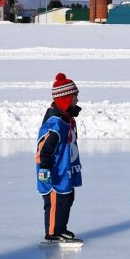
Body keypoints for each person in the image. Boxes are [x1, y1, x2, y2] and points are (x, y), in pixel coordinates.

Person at [35, 73, 84, 243]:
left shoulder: (66, 117)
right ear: (65, 98)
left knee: (67, 199)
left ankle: (60, 228)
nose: (77, 99)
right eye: (75, 96)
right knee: (55, 201)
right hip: (54, 171)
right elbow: (44, 148)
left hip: (65, 169)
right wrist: (44, 168)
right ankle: (53, 232)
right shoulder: (55, 122)